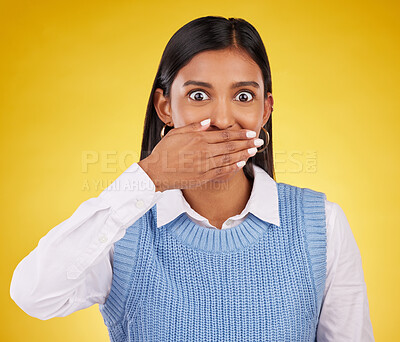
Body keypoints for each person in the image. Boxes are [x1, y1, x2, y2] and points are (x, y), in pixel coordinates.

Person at [10, 16, 374, 341]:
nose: (222, 118)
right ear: (165, 107)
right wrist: (148, 177)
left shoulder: (322, 223)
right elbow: (35, 295)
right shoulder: (123, 229)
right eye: (199, 95)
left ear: (265, 110)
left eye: (243, 96)